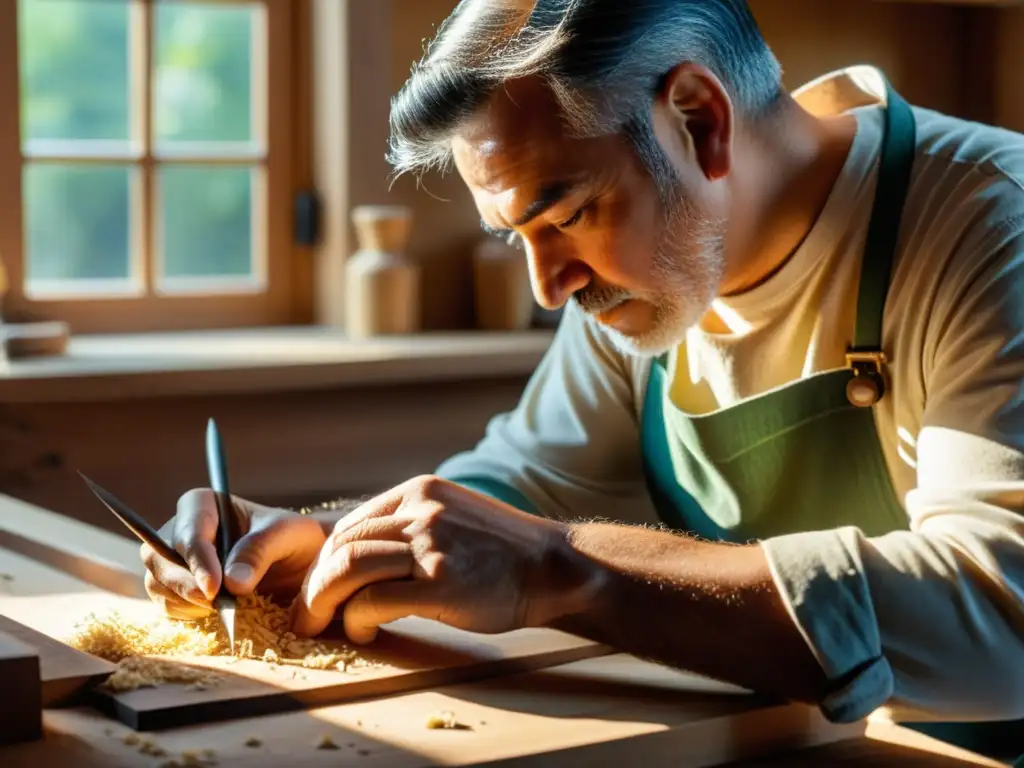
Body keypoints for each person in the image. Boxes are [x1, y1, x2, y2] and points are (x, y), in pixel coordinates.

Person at [141, 0, 1024, 755]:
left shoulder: (989, 226)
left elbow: (999, 619)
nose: (547, 283)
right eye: (514, 236)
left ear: (698, 120)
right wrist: (329, 540)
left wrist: (562, 567)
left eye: (565, 215)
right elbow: (519, 485)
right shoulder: (656, 277)